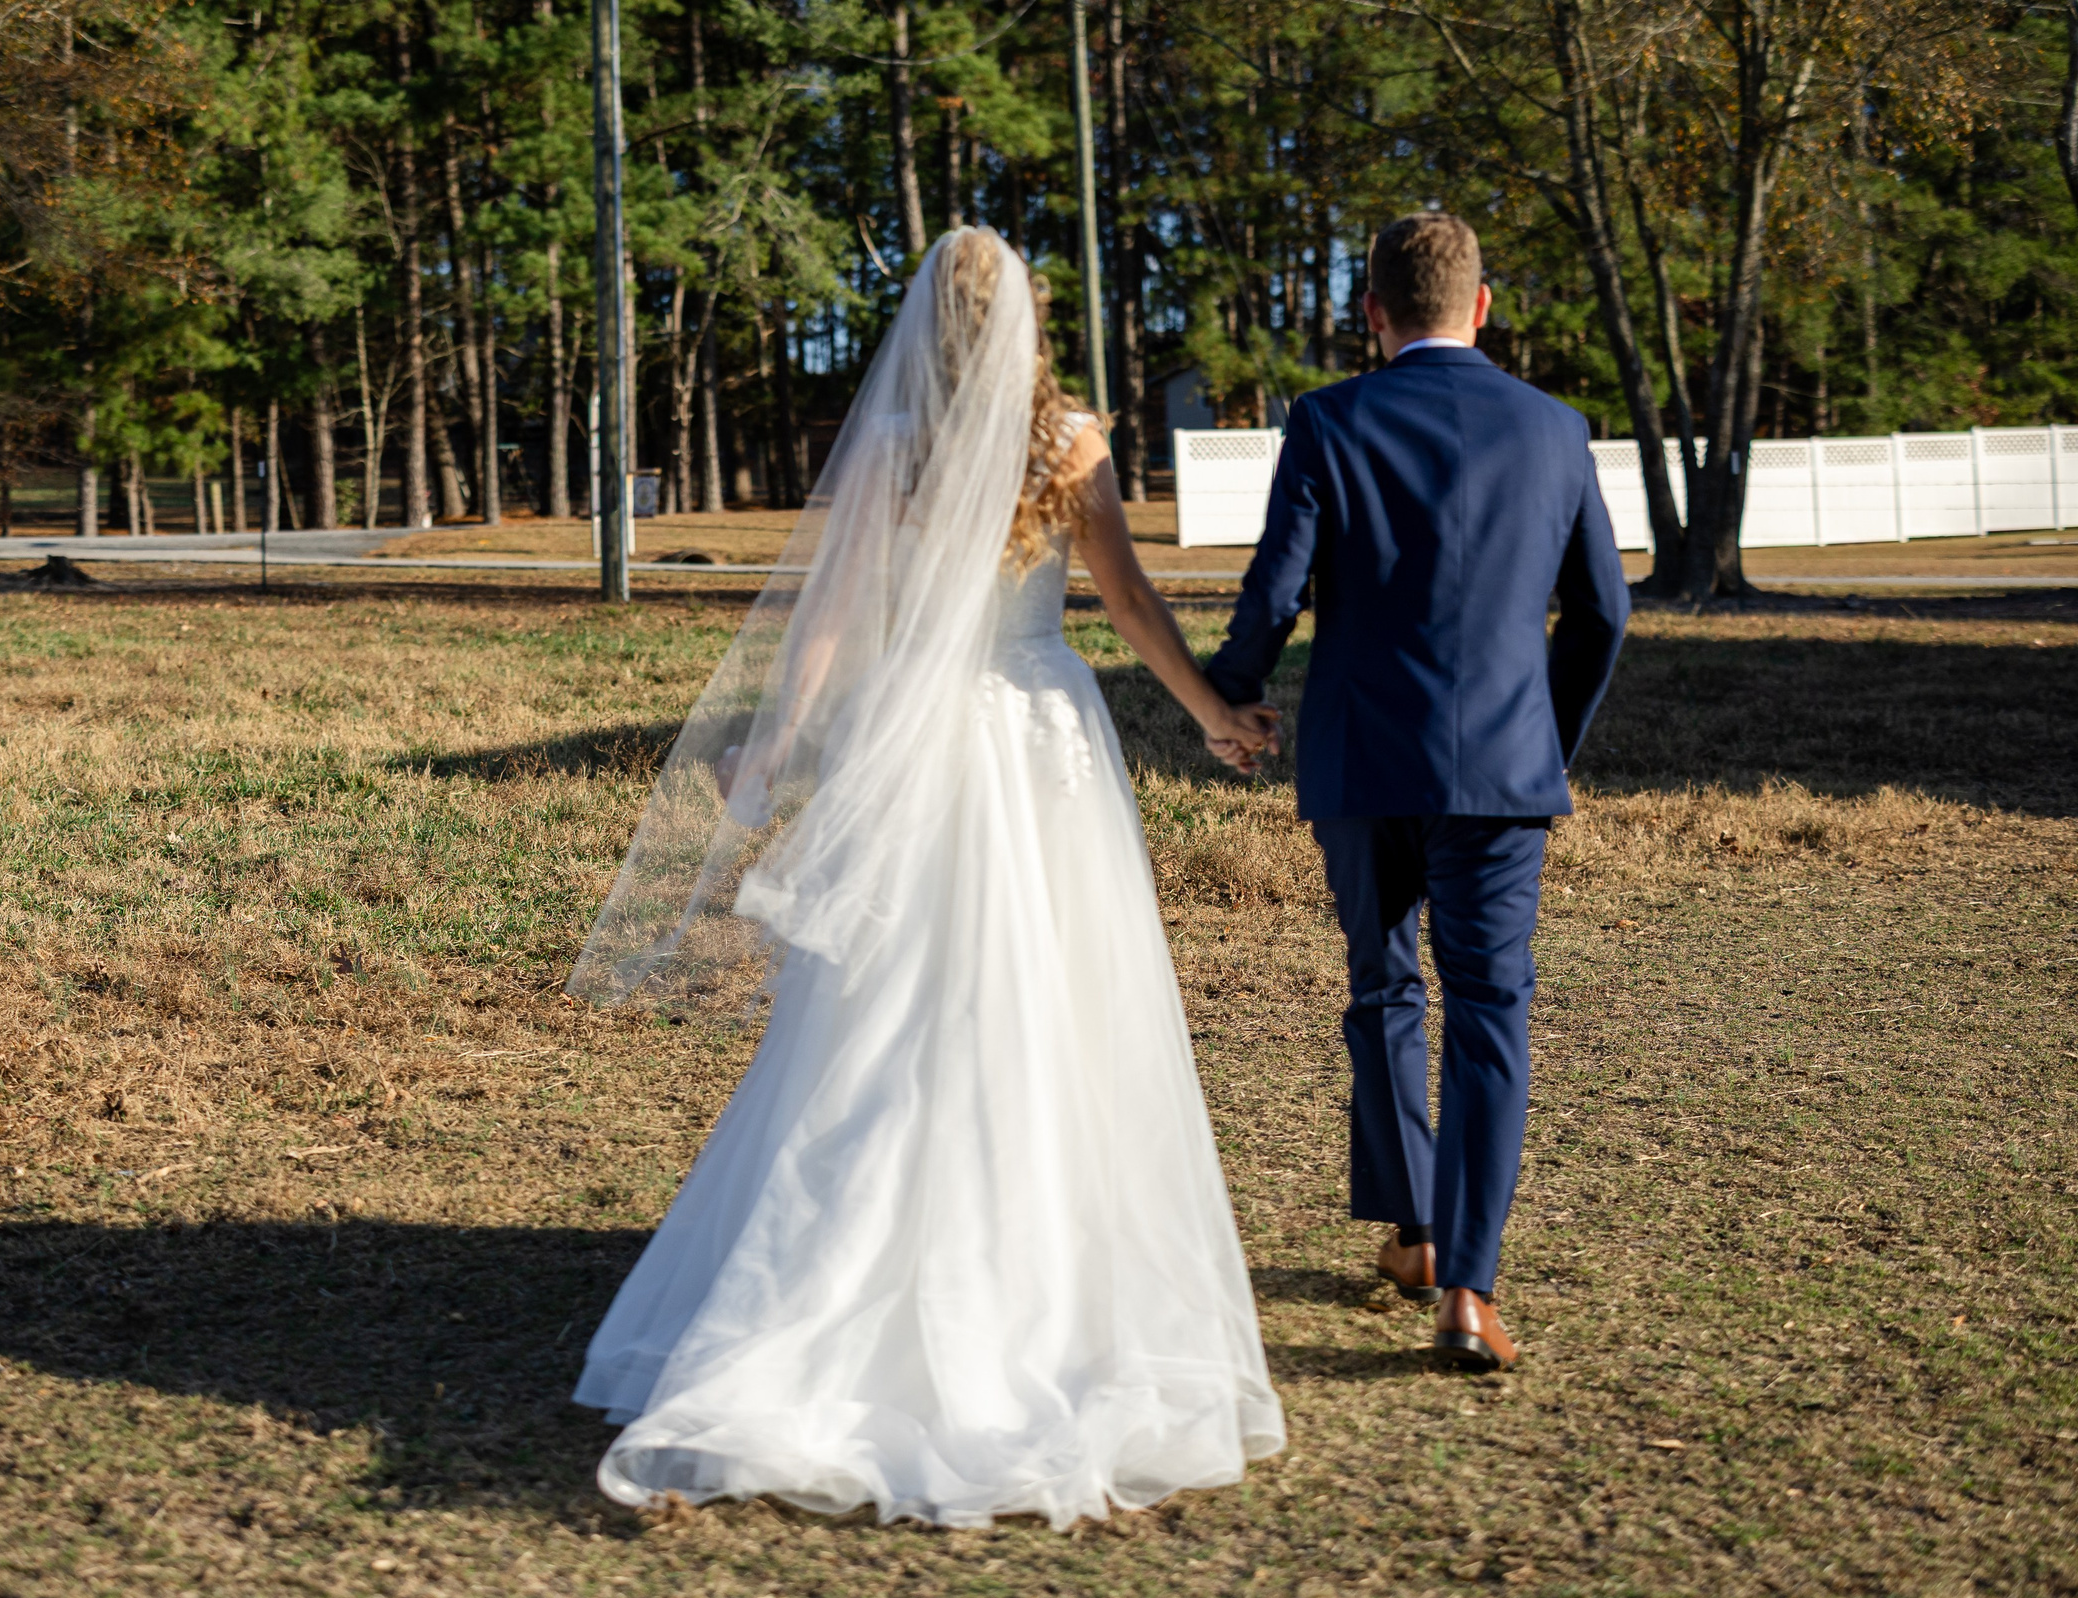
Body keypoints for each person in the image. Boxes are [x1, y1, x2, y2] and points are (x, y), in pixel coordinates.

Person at [563, 227, 1284, 1528]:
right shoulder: (1070, 442)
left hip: (917, 738)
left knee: (886, 1018)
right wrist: (1213, 711)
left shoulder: (895, 442)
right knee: (1045, 1007)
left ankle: (840, 1280)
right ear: (1025, 323)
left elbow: (830, 623)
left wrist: (776, 746)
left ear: (923, 329)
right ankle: (1034, 1278)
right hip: (1040, 734)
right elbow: (1123, 599)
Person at [1202, 210, 1630, 1373]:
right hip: (1501, 769)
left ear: (1374, 315)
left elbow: (1274, 586)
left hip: (1359, 758)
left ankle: (1417, 1233)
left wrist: (1226, 698)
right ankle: (1469, 1291)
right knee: (1491, 1012)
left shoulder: (1329, 418)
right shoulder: (1554, 429)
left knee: (1382, 986)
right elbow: (1603, 613)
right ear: (1481, 306)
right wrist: (1548, 739)